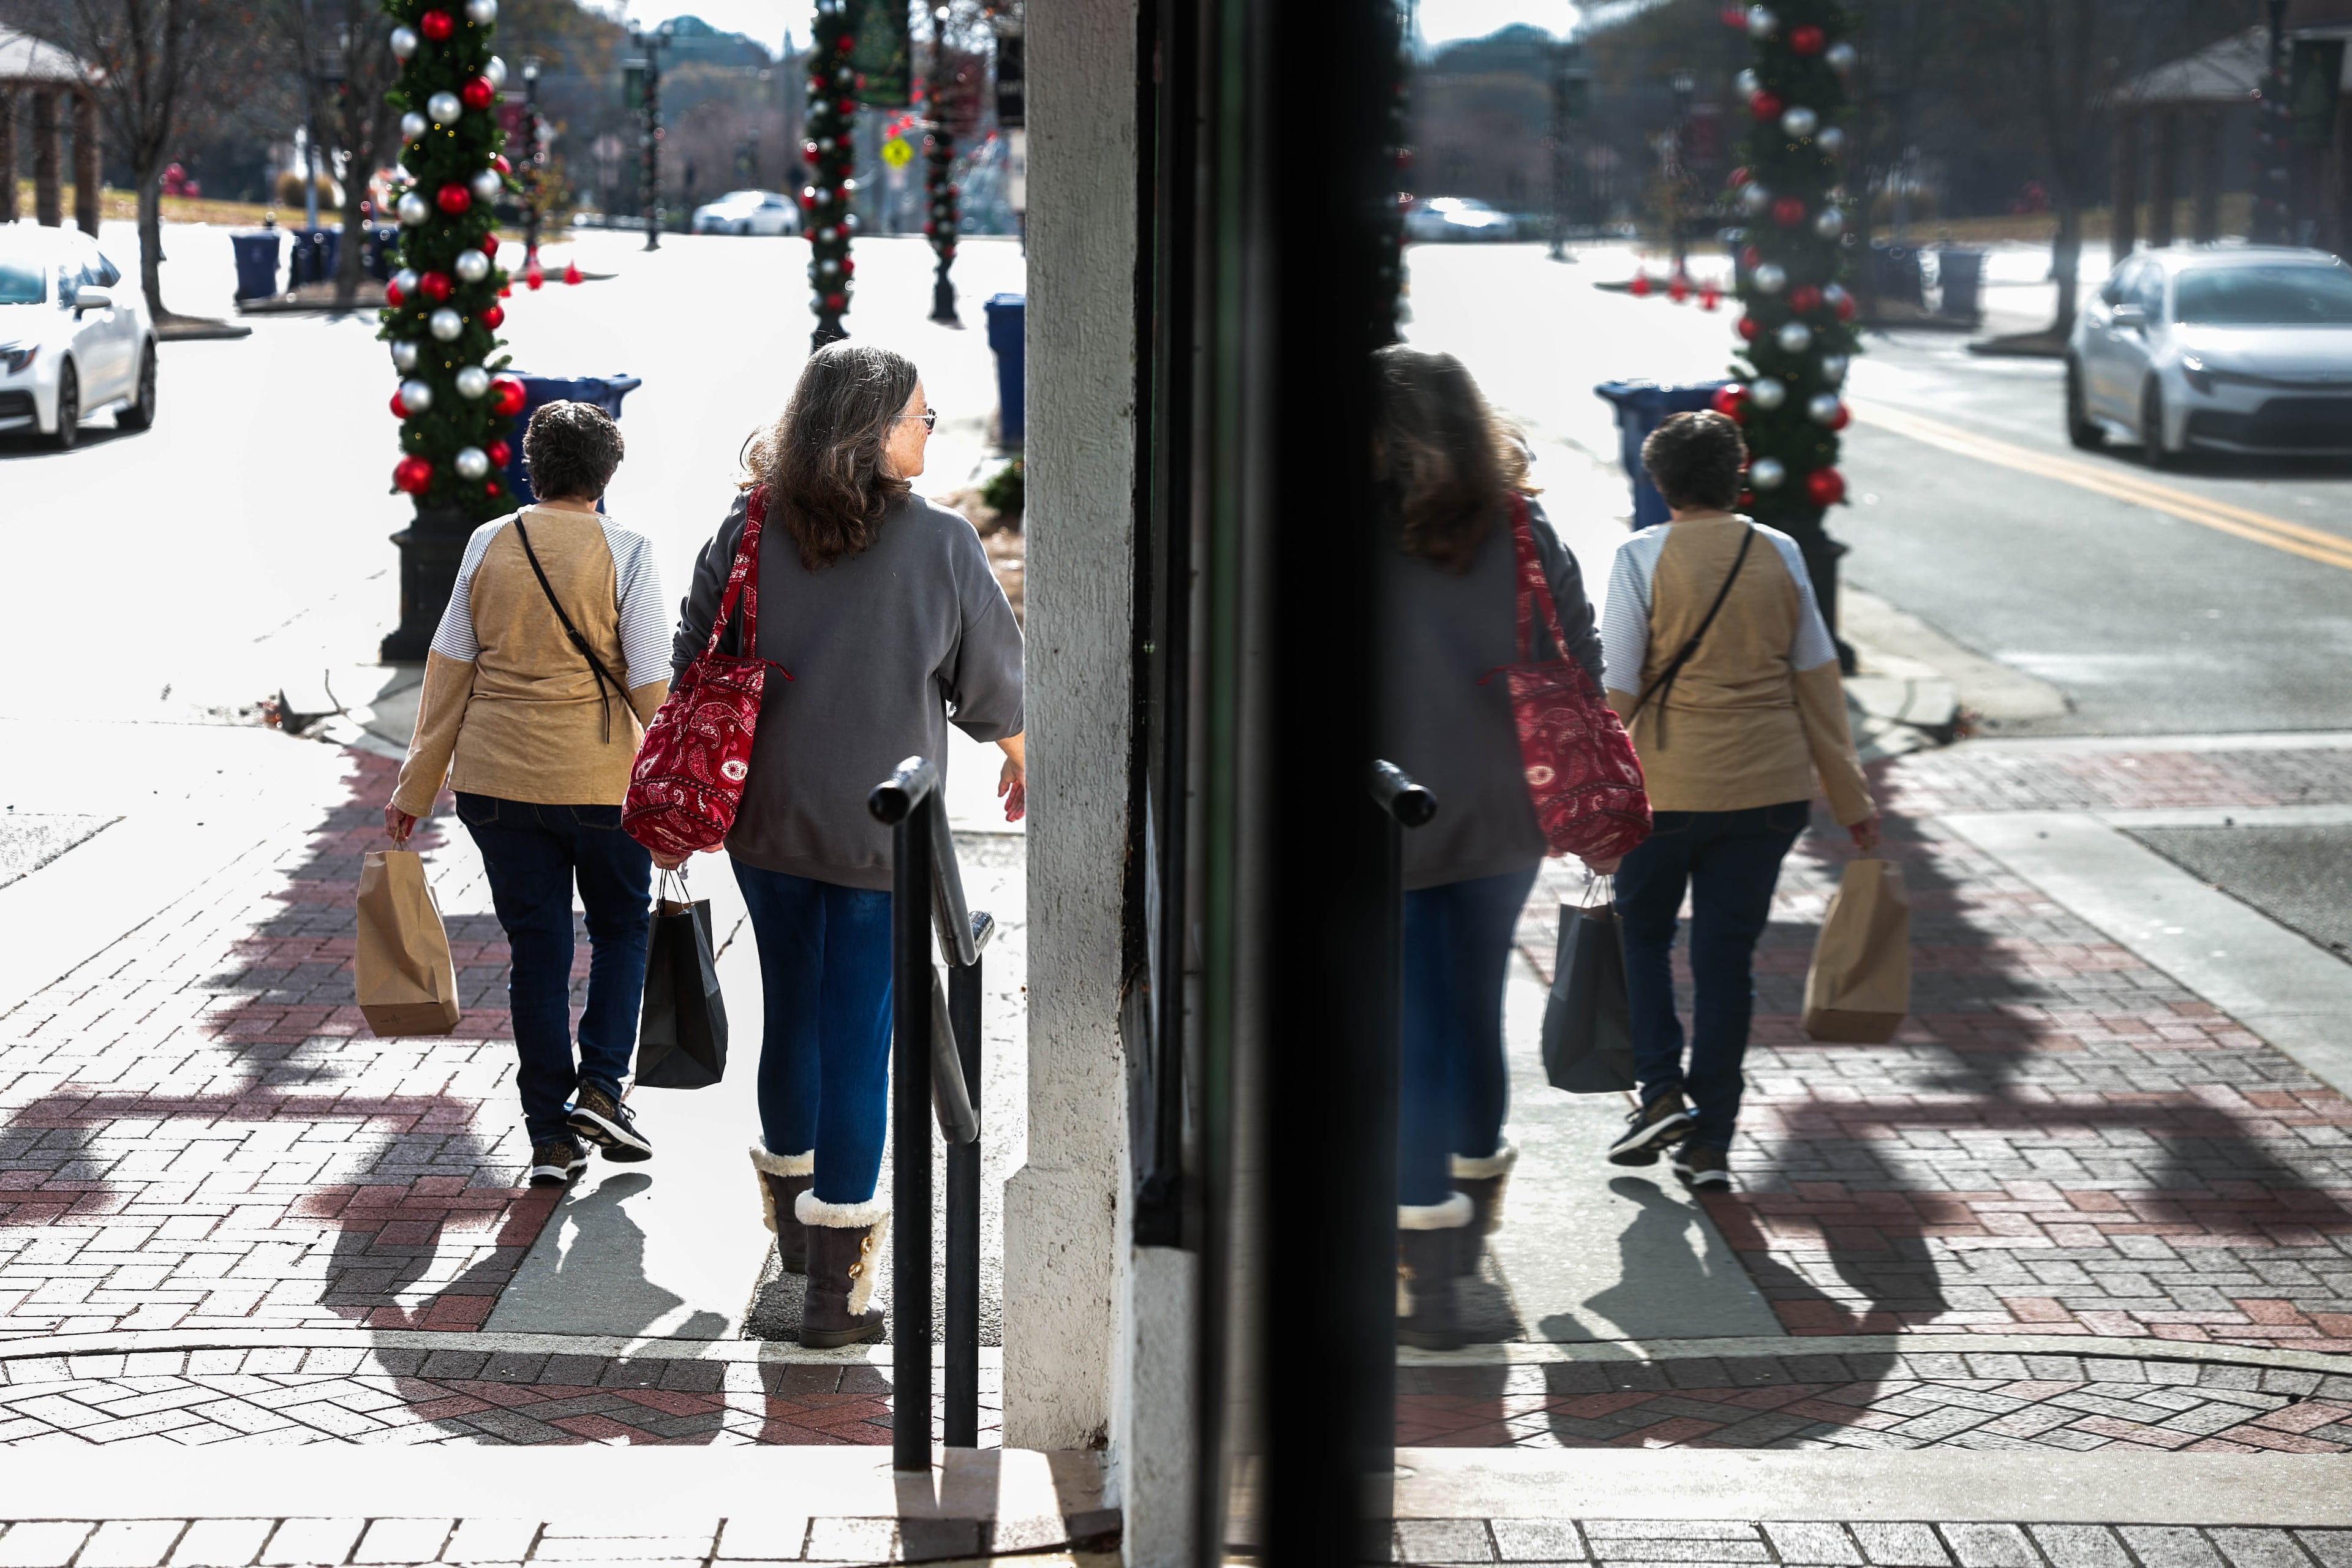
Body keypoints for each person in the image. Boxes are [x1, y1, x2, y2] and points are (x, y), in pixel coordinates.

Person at [666, 343, 1025, 1350]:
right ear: (870, 431)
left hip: (764, 821)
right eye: (916, 413)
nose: (930, 424)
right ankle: (835, 1296)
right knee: (861, 1040)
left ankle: (793, 1235)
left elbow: (695, 657)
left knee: (795, 1013)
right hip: (883, 835)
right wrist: (1022, 757)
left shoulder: (744, 528)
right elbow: (997, 691)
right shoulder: (944, 545)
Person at [1373, 345, 1609, 1350]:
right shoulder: (1522, 522)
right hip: (1508, 809)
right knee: (1474, 1011)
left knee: (1409, 1021)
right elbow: (1583, 659)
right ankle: (1466, 1234)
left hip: (1388, 806)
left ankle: (1416, 1263)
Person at [385, 401, 673, 1188]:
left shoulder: (487, 543)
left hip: (497, 784)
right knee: (622, 930)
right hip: (600, 784)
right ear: (606, 476)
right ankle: (603, 1089)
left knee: (537, 955)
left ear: (531, 468)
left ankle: (549, 1136)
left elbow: (449, 671)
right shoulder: (629, 551)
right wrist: (684, 793)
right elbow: (652, 683)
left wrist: (414, 786)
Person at [1597, 410, 1879, 1191]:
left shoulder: (1638, 557)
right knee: (1726, 959)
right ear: (1739, 474)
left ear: (1659, 484)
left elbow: (1616, 686)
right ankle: (1711, 1140)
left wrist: (1587, 791)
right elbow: (1817, 679)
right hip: (1769, 790)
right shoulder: (1781, 552)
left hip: (1667, 790)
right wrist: (1851, 796)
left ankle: (1659, 1093)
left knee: (1642, 936)